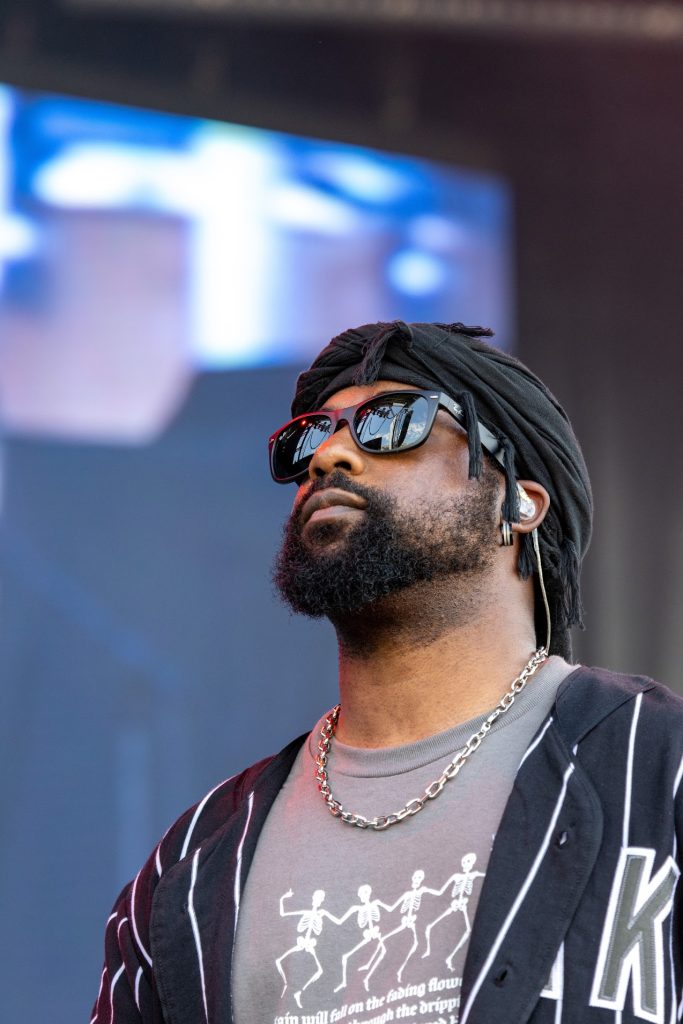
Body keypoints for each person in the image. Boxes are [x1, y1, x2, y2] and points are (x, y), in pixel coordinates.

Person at [91, 321, 683, 1024]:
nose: (329, 455)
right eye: (309, 439)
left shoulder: (658, 767)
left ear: (518, 503)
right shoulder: (188, 873)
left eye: (391, 423)